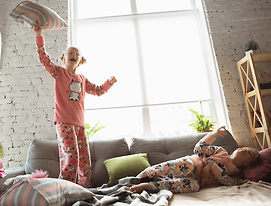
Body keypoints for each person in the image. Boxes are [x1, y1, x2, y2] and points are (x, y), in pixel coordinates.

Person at [33, 26, 117, 188]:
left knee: (85, 161)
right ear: (64, 57)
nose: (74, 55)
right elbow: (44, 59)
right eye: (71, 52)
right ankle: (65, 189)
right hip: (64, 123)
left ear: (81, 61)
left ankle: (85, 189)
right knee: (71, 158)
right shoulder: (58, 73)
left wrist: (109, 83)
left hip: (80, 125)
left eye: (77, 54)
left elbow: (98, 91)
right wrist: (39, 35)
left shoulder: (82, 79)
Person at [129, 126, 260, 194]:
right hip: (191, 164)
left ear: (247, 163)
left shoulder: (234, 175)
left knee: (194, 187)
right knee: (186, 165)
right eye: (245, 148)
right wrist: (213, 135)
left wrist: (212, 165)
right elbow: (199, 149)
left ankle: (149, 186)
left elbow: (227, 182)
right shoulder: (221, 151)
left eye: (248, 152)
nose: (243, 149)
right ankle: (144, 174)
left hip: (197, 180)